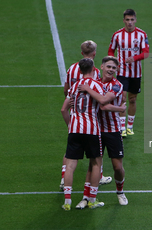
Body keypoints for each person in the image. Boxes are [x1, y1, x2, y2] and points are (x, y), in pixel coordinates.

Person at [61, 58, 116, 211]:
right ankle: (92, 199)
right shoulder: (97, 85)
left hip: (74, 129)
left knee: (70, 166)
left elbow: (63, 109)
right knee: (96, 163)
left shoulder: (74, 87)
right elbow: (104, 104)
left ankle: (67, 201)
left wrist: (70, 126)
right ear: (94, 69)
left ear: (79, 70)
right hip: (91, 129)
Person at [76, 56, 128, 209]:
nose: (111, 70)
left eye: (114, 68)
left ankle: (120, 192)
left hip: (113, 130)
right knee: (93, 165)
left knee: (117, 167)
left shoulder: (117, 85)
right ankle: (86, 198)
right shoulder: (95, 84)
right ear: (102, 67)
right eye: (109, 67)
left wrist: (88, 90)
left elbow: (104, 103)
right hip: (95, 129)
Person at [108, 9, 149, 137]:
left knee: (133, 99)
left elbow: (146, 53)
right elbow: (111, 51)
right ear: (124, 20)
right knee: (122, 98)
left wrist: (134, 58)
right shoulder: (117, 35)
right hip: (122, 72)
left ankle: (130, 127)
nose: (130, 22)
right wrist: (115, 64)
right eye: (127, 20)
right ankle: (121, 128)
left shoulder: (142, 35)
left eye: (132, 20)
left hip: (136, 73)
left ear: (135, 20)